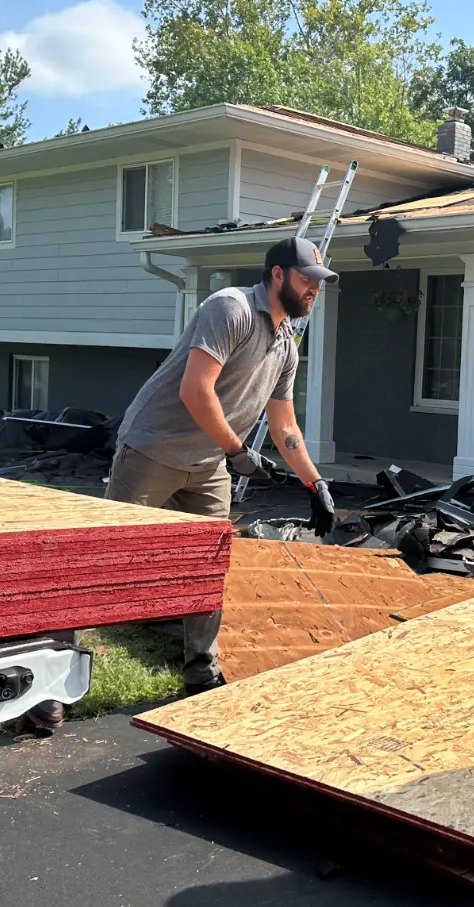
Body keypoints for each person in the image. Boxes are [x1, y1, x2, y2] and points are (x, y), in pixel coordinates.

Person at [38, 238, 337, 719]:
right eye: (306, 280)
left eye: (318, 284)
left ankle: (200, 670)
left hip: (207, 465)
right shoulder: (230, 308)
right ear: (278, 274)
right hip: (153, 448)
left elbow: (285, 427)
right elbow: (195, 389)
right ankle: (50, 685)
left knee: (208, 565)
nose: (313, 291)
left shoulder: (285, 347)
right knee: (102, 564)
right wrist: (237, 451)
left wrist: (315, 485)